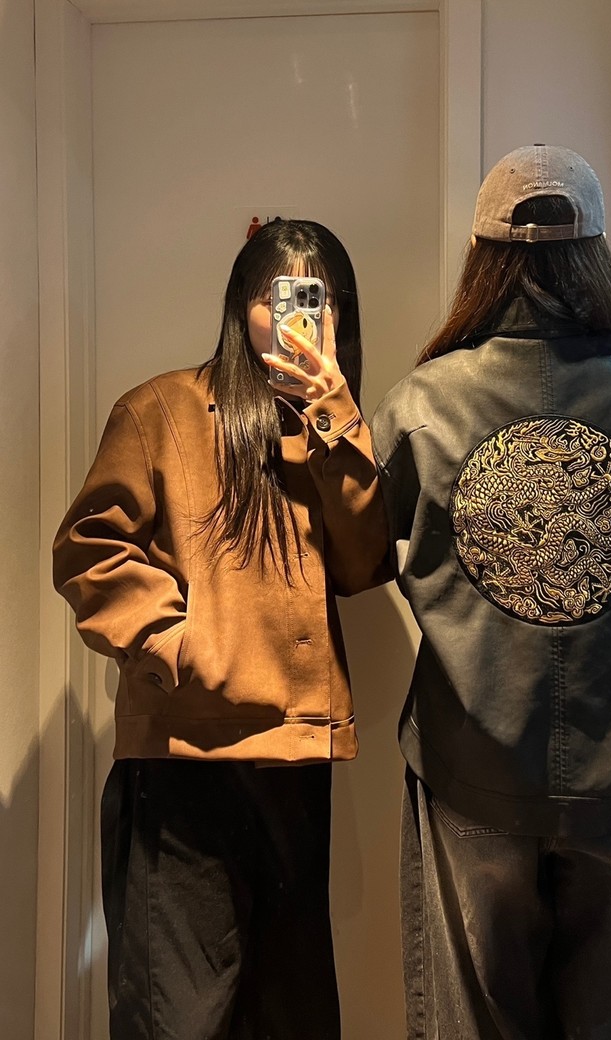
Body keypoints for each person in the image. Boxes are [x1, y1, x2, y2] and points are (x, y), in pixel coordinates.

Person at [370, 145, 611, 1040]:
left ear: (480, 256)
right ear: (597, 254)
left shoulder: (421, 404)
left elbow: (361, 551)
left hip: (474, 771)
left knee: (474, 1025)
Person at [53, 219, 388, 1040]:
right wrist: (178, 644)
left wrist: (334, 416)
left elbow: (362, 563)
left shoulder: (332, 429)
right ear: (242, 308)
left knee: (290, 1016)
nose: (298, 320)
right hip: (182, 762)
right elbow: (89, 549)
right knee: (175, 1018)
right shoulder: (161, 409)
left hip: (296, 762)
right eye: (279, 299)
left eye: (319, 302)